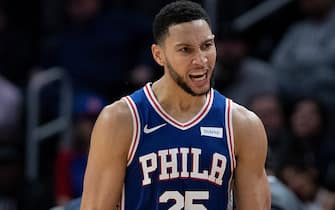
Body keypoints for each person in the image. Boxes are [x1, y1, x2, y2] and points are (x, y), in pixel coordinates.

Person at [80, 1, 270, 210]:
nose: (201, 60)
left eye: (206, 46)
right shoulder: (121, 120)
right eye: (185, 50)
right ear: (158, 55)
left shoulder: (242, 125)